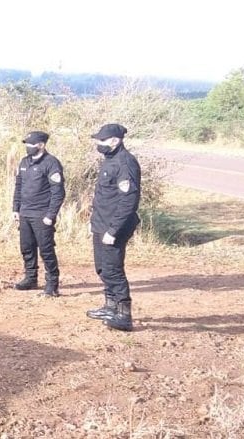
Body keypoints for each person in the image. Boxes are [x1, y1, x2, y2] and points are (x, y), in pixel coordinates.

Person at [86, 123, 141, 331]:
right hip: (101, 224)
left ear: (115, 141)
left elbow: (128, 201)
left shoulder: (125, 163)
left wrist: (113, 230)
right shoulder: (110, 160)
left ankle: (124, 315)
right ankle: (110, 306)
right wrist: (95, 224)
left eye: (102, 140)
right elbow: (105, 198)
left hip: (114, 227)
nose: (98, 144)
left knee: (113, 270)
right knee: (102, 268)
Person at [12, 130, 66, 297]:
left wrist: (50, 215)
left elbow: (58, 193)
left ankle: (52, 284)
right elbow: (18, 187)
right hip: (25, 212)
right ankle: (30, 278)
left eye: (31, 145)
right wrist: (16, 208)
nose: (28, 147)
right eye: (27, 145)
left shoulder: (51, 163)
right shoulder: (24, 162)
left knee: (46, 249)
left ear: (41, 145)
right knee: (26, 247)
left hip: (42, 214)